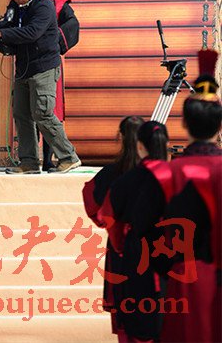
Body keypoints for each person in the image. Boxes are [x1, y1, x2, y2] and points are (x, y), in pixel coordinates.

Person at [142, 58, 221, 343]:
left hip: (184, 279)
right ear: (219, 125)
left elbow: (148, 232)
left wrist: (165, 269)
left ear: (185, 122)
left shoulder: (165, 174)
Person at [0, 0, 81, 173]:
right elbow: (9, 25)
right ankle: (28, 162)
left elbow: (32, 32)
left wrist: (1, 33)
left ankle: (68, 157)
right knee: (21, 114)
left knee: (42, 113)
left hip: (44, 67)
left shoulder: (44, 6)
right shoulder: (15, 6)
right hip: (24, 69)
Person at [103, 120, 170, 343]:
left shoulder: (124, 181)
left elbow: (109, 219)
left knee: (139, 320)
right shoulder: (178, 177)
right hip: (175, 256)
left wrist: (121, 245)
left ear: (139, 145)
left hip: (137, 255)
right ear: (165, 145)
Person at [82, 116, 144, 339]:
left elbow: (93, 204)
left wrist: (112, 225)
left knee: (125, 316)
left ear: (120, 137)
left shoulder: (111, 173)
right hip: (154, 248)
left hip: (121, 247)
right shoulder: (159, 172)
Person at [27, 0, 80, 171]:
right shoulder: (22, 4)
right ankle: (31, 158)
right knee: (28, 110)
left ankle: (50, 158)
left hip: (48, 64)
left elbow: (73, 26)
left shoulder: (59, 5)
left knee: (49, 109)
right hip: (27, 63)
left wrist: (52, 42)